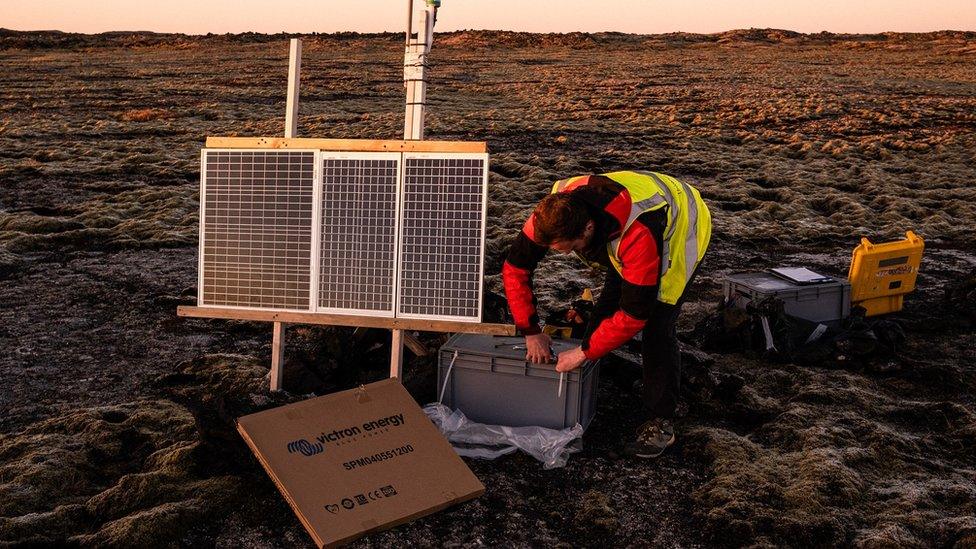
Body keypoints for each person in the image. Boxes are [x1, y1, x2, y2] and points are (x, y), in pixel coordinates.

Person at [502, 171, 711, 458]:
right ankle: (586, 387)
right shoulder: (549, 215)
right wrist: (530, 331)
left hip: (679, 226)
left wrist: (584, 353)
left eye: (570, 249)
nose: (562, 255)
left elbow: (635, 313)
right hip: (619, 227)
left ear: (586, 230)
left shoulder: (637, 233)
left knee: (657, 325)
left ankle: (662, 420)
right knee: (605, 312)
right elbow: (515, 268)